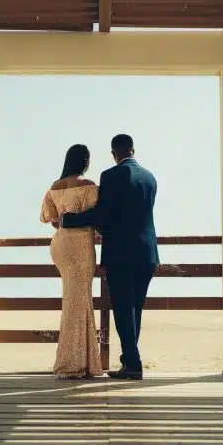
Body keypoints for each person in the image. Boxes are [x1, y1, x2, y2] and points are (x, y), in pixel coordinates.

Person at [60, 134, 158, 381]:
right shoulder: (150, 177)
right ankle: (129, 360)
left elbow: (104, 213)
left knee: (124, 310)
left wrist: (70, 220)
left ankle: (133, 364)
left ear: (114, 153)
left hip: (121, 253)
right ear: (133, 150)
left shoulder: (111, 176)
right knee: (135, 308)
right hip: (148, 252)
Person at [39, 144, 103, 379]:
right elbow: (99, 216)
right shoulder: (88, 187)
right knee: (78, 299)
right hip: (81, 245)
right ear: (85, 161)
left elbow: (52, 220)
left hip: (60, 245)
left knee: (75, 299)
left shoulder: (54, 188)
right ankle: (71, 363)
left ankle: (82, 361)